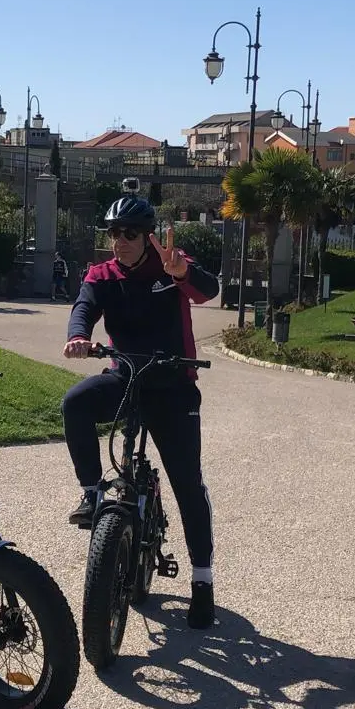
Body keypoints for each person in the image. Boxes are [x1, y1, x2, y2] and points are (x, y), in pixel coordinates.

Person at [61, 194, 219, 628]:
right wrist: (79, 335)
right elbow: (84, 308)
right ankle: (92, 493)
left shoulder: (170, 264)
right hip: (127, 377)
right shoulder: (103, 274)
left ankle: (202, 580)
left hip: (173, 385)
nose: (120, 241)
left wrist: (182, 272)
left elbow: (208, 289)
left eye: (129, 233)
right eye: (113, 233)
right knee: (75, 403)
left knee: (187, 482)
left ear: (148, 236)